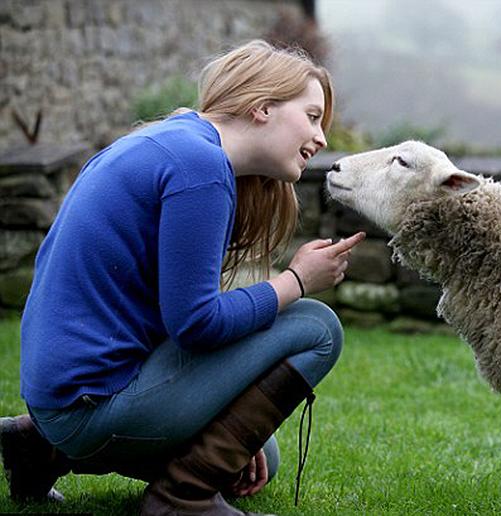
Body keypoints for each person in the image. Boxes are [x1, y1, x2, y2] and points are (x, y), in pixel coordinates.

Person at [0, 39, 365, 515]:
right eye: (313, 116)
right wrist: (297, 280)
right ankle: (181, 498)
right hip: (89, 406)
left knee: (258, 460)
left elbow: (168, 314)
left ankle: (36, 446)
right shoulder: (200, 168)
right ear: (262, 107)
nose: (321, 138)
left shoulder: (179, 144)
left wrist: (218, 407)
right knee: (317, 325)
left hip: (68, 401)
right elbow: (195, 325)